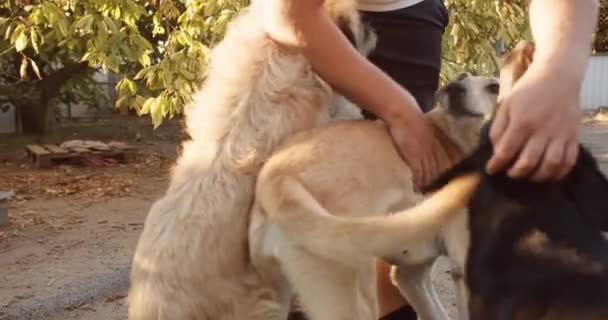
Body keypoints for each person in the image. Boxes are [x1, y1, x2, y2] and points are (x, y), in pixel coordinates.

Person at [261, 0, 600, 319]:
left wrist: (559, 70)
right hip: (311, 28)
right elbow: (286, 13)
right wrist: (401, 113)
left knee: (396, 220)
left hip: (410, 17)